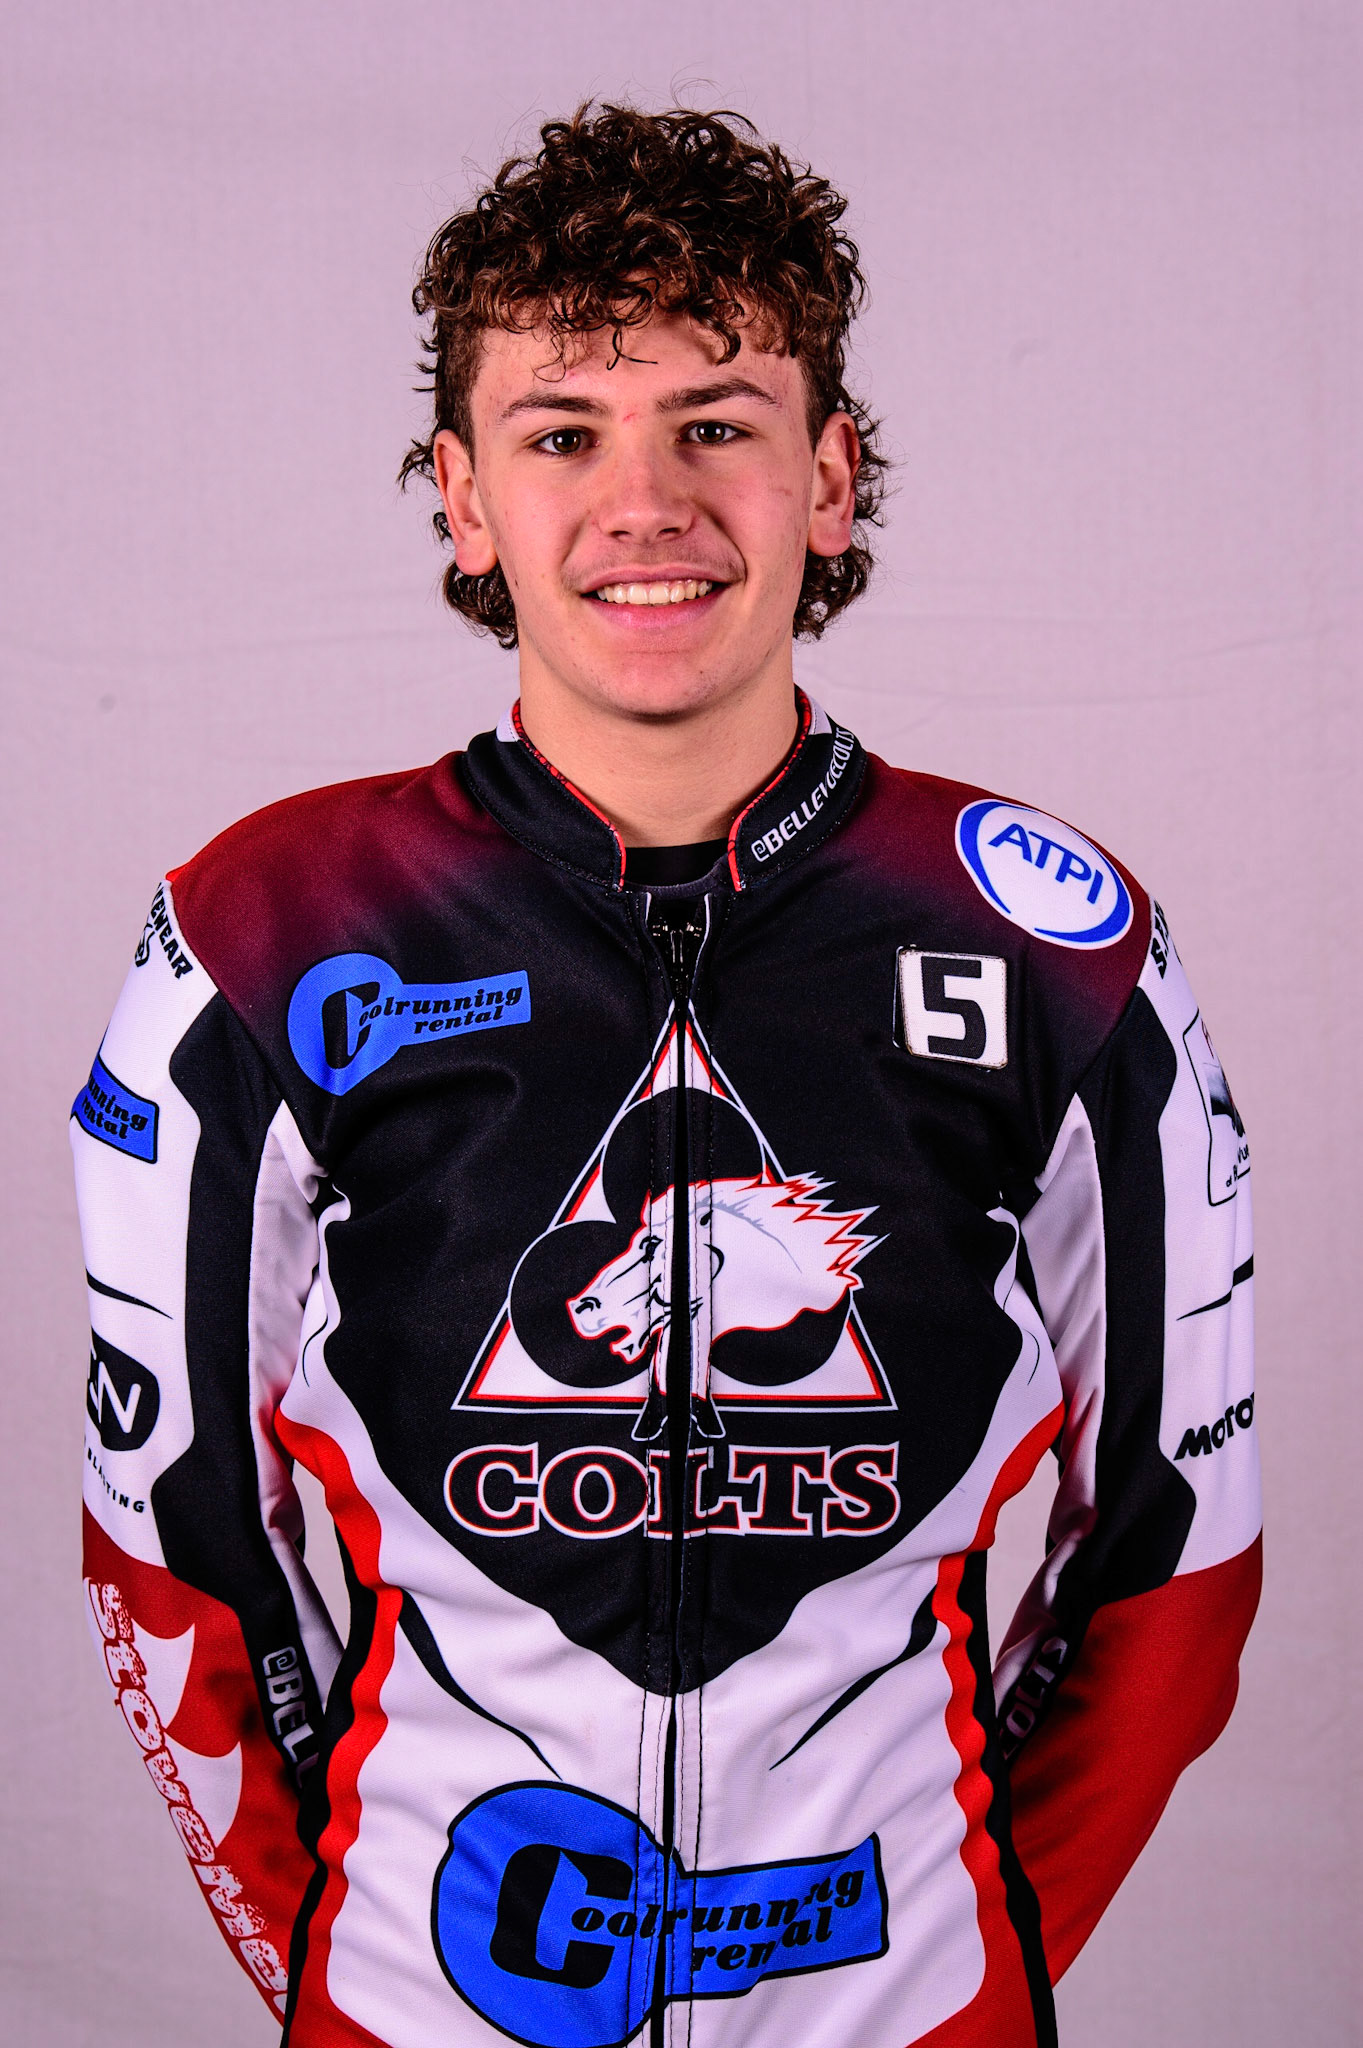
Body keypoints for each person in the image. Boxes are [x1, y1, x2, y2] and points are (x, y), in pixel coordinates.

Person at [72, 104, 1260, 2048]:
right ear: (464, 499)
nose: (648, 501)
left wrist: (961, 1954)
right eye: (563, 435)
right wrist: (355, 1966)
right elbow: (170, 1552)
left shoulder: (1064, 948)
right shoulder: (256, 935)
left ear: (832, 477)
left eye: (716, 420)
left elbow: (1172, 1568)